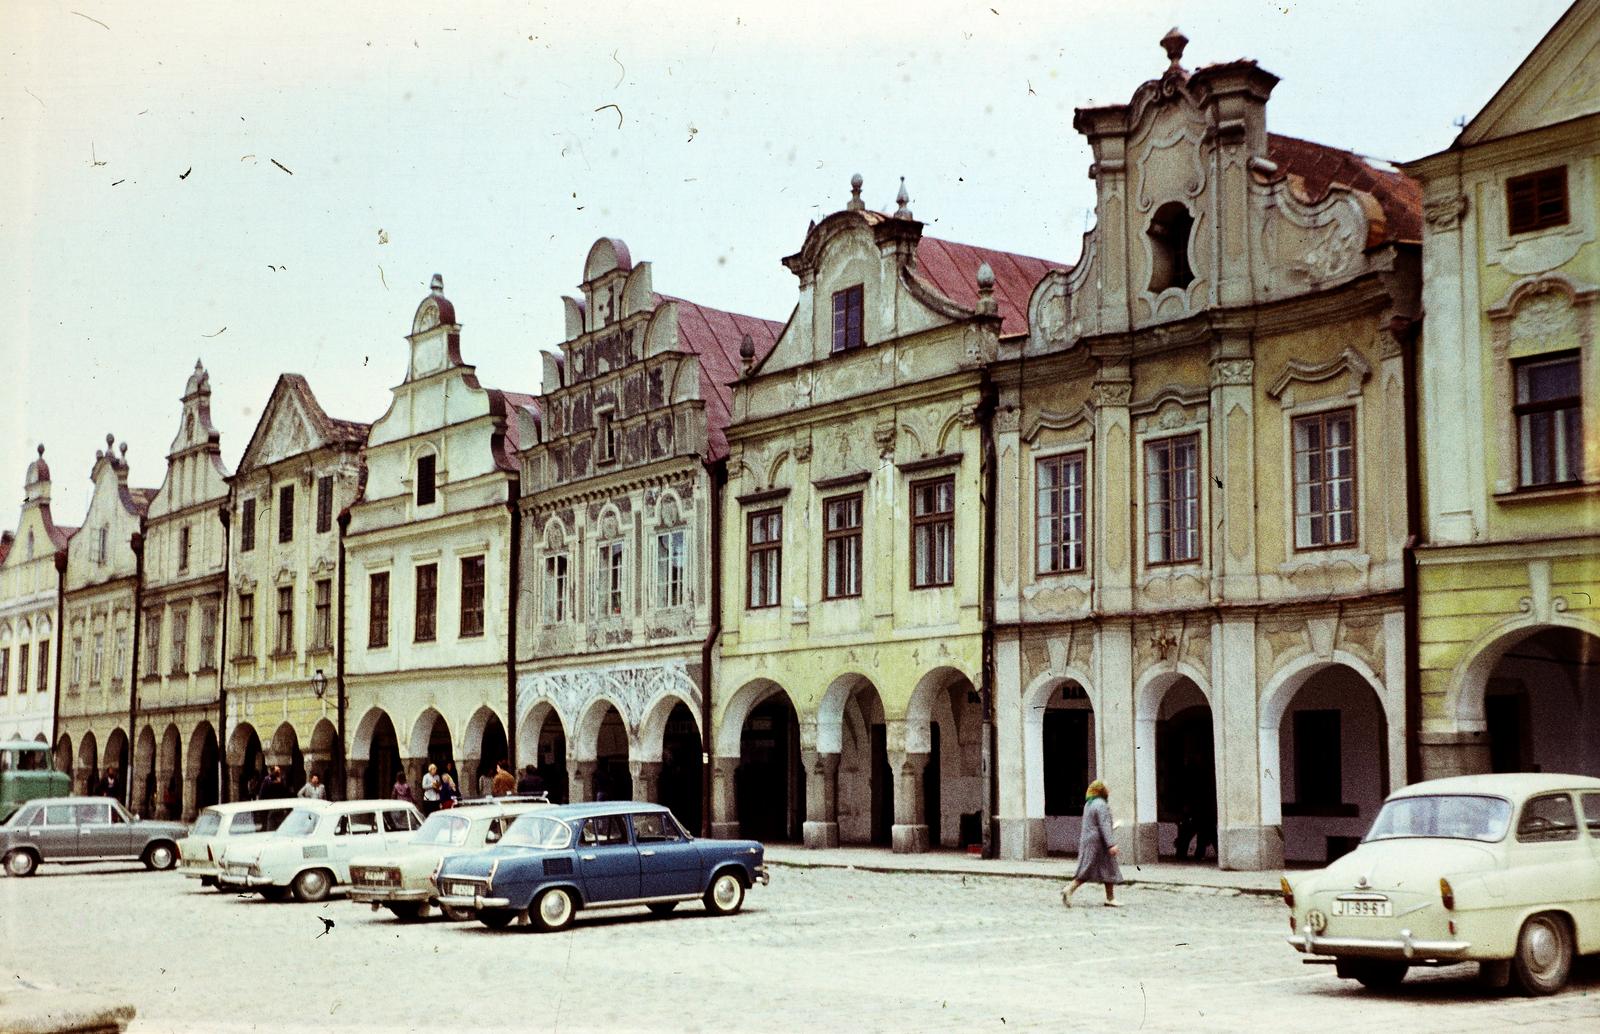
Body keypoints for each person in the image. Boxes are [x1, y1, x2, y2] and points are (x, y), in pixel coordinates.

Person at [1063, 779, 1124, 908]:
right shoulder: (1102, 804)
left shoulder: (1089, 804)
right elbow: (1104, 825)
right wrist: (1111, 844)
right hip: (1099, 843)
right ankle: (1069, 889)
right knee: (1098, 868)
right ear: (1101, 790)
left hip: (1089, 840)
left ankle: (1110, 898)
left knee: (1106, 868)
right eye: (1106, 788)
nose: (1109, 790)